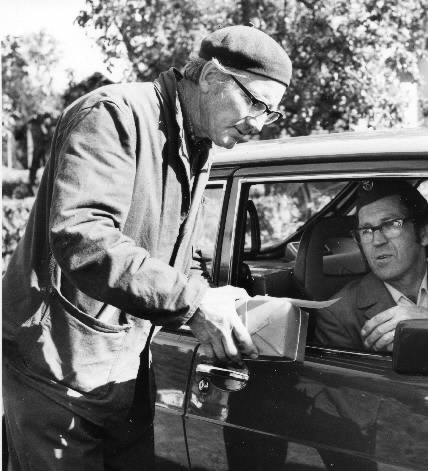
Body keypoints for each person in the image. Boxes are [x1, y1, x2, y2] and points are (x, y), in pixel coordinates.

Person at [2, 25, 292, 470]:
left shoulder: (197, 142)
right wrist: (193, 303)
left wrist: (217, 296)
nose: (257, 124)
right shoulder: (113, 115)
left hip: (124, 373)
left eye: (269, 112)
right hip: (57, 372)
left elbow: (171, 253)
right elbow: (82, 235)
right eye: (254, 102)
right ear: (211, 77)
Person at [313, 179, 428, 353]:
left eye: (391, 224)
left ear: (424, 233)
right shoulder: (338, 314)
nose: (377, 241)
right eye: (366, 231)